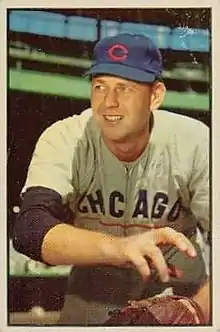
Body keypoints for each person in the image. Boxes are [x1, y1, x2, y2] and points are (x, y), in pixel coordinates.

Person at [12, 33, 210, 325]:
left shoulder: (195, 142)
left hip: (179, 301)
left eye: (125, 88)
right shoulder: (66, 138)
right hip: (91, 307)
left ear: (155, 95)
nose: (109, 102)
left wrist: (198, 309)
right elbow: (30, 229)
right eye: (100, 86)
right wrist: (119, 248)